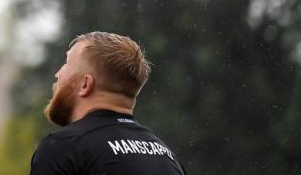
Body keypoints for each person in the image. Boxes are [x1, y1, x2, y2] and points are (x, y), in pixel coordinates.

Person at [31, 32, 185, 175]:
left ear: (85, 85)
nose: (57, 74)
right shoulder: (167, 157)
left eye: (67, 63)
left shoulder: (64, 148)